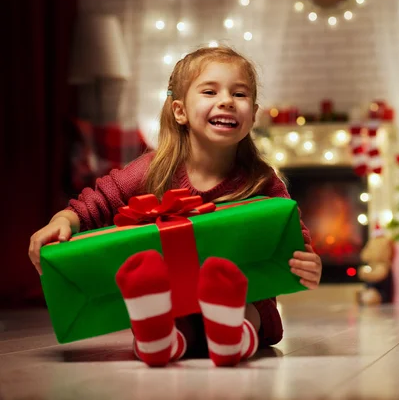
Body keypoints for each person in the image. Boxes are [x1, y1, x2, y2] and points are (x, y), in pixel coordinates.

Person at [28, 45, 322, 367]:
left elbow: (292, 236)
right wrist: (64, 219)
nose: (226, 100)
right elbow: (97, 200)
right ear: (180, 111)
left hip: (242, 301)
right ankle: (160, 339)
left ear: (252, 114)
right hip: (174, 300)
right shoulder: (153, 169)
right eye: (210, 91)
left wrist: (307, 261)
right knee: (166, 307)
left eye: (239, 94)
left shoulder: (261, 180)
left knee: (251, 305)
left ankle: (231, 338)